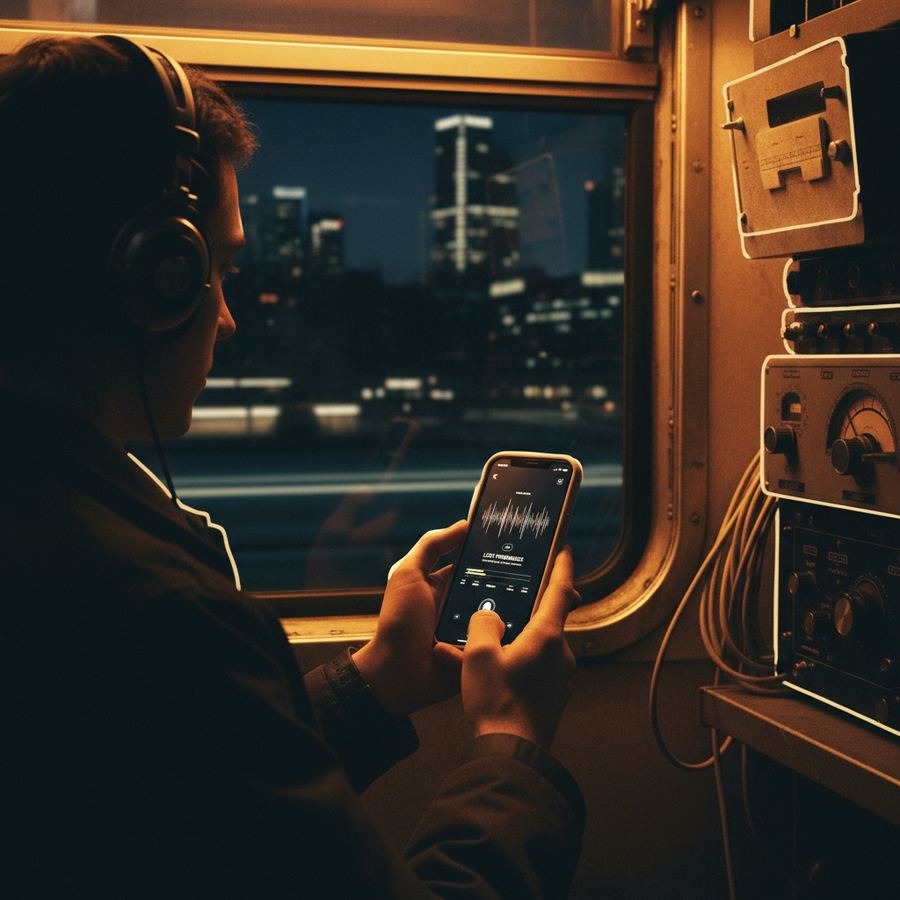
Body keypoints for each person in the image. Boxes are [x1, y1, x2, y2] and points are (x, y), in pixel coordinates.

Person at [0, 34, 584, 898]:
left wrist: (376, 681)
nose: (227, 319)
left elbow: (182, 804)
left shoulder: (49, 512)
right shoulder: (152, 614)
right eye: (215, 271)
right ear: (151, 276)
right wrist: (510, 748)